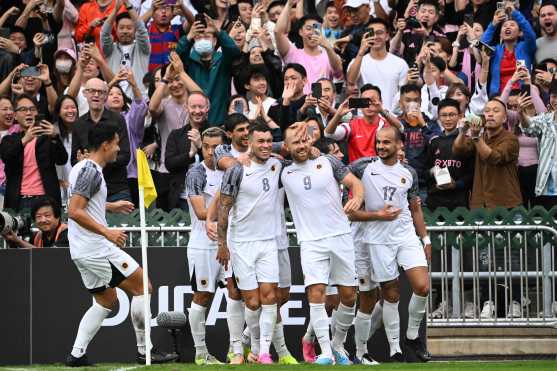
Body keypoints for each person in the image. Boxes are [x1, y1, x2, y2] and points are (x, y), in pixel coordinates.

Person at [64, 123, 176, 366]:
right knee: (142, 286)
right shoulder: (92, 171)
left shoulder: (80, 168)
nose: (118, 148)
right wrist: (107, 232)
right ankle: (145, 351)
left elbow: (80, 204)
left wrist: (109, 206)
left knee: (106, 300)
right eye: (116, 143)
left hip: (80, 250)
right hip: (95, 247)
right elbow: (74, 211)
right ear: (105, 145)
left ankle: (77, 354)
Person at [281, 122, 364, 365]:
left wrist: (357, 197)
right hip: (310, 242)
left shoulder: (329, 162)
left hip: (340, 236)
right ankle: (325, 352)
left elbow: (355, 184)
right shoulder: (282, 171)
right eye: (295, 142)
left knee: (348, 296)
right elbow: (258, 150)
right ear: (286, 147)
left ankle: (338, 345)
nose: (302, 145)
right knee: (316, 295)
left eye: (304, 140)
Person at [348, 126, 432, 363]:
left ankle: (413, 337)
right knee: (391, 294)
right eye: (379, 142)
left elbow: (415, 207)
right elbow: (339, 173)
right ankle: (395, 348)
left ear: (399, 145)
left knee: (422, 286)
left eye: (386, 142)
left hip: (405, 236)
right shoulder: (363, 167)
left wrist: (425, 238)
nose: (381, 147)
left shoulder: (409, 172)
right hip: (377, 238)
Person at [216, 123, 283, 364]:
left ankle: (264, 352)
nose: (265, 146)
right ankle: (249, 347)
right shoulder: (237, 170)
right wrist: (222, 244)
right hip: (241, 243)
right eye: (260, 142)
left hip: (268, 242)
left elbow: (291, 148)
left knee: (269, 297)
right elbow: (224, 206)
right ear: (249, 143)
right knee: (252, 301)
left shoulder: (277, 165)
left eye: (268, 141)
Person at [185, 127, 226, 365]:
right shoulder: (196, 173)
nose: (211, 152)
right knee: (202, 296)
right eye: (206, 147)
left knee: (239, 293)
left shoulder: (231, 169)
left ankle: (239, 348)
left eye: (216, 148)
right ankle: (201, 353)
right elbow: (201, 212)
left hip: (230, 244)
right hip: (203, 245)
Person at [0, 94, 67, 212]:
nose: (28, 113)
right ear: (15, 115)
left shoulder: (47, 138)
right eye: (23, 109)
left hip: (46, 199)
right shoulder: (9, 140)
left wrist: (55, 137)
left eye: (32, 109)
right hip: (19, 200)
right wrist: (25, 139)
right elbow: (7, 157)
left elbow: (62, 159)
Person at [453, 98, 522, 208]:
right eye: (487, 111)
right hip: (480, 202)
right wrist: (462, 132)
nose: (490, 114)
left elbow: (494, 158)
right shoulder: (481, 137)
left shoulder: (511, 139)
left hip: (506, 203)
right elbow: (458, 150)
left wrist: (476, 137)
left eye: (495, 111)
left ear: (504, 118)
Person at [71, 78, 131, 202]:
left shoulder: (118, 119)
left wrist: (95, 160)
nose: (96, 95)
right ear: (85, 94)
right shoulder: (79, 124)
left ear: (105, 95)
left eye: (101, 92)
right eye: (92, 91)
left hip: (116, 189)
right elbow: (74, 159)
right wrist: (82, 162)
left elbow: (125, 156)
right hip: (89, 190)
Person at [176, 14, 241, 125]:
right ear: (194, 41)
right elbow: (176, 56)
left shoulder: (223, 60)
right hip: (195, 123)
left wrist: (219, 32)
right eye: (198, 37)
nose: (203, 40)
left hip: (220, 123)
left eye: (207, 37)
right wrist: (188, 36)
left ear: (215, 41)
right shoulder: (189, 61)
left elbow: (234, 51)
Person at [275, 1, 342, 94]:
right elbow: (278, 32)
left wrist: (328, 46)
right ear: (300, 32)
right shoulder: (293, 54)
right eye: (308, 28)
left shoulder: (329, 55)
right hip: (297, 105)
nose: (313, 32)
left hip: (322, 105)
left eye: (316, 28)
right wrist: (289, 4)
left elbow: (338, 72)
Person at [324, 84, 401, 163]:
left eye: (373, 100)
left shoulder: (387, 125)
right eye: (365, 101)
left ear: (381, 102)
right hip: (356, 173)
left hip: (381, 172)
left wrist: (382, 111)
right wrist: (338, 115)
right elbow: (328, 134)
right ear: (360, 104)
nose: (369, 105)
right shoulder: (352, 125)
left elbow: (401, 129)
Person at [106, 69, 148, 208]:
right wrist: (113, 82)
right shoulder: (99, 119)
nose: (115, 96)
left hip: (131, 175)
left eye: (119, 94)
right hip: (106, 174)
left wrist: (134, 84)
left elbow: (140, 108)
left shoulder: (129, 118)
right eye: (110, 94)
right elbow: (96, 101)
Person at [347, 17, 409, 112]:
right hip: (365, 118)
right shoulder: (357, 61)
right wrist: (361, 52)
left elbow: (404, 93)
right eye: (371, 33)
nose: (375, 37)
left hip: (391, 117)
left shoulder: (400, 64)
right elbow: (351, 81)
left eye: (379, 33)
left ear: (387, 36)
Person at [424, 98, 474, 210]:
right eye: (444, 115)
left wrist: (456, 184)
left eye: (452, 115)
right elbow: (425, 172)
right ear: (438, 117)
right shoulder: (434, 141)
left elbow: (472, 173)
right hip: (435, 201)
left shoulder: (467, 141)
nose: (448, 119)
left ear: (460, 116)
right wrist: (433, 172)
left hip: (459, 202)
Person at [165, 91, 210, 211]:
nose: (197, 111)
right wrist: (190, 154)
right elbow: (169, 164)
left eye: (201, 107)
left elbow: (220, 162)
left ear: (207, 108)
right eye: (193, 107)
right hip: (182, 197)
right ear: (186, 108)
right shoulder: (176, 135)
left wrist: (201, 146)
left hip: (210, 196)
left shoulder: (215, 133)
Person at [480, 1, 536, 96]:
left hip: (522, 96)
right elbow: (481, 45)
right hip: (498, 97)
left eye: (512, 25)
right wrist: (493, 24)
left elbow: (530, 34)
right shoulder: (496, 51)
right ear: (500, 34)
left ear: (520, 33)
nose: (507, 27)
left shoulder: (525, 47)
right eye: (505, 26)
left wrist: (515, 13)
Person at [518, 83, 557, 210]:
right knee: (546, 227)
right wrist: (521, 113)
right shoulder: (545, 120)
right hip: (546, 188)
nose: (555, 100)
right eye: (554, 96)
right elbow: (529, 128)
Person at [101, 0, 151, 98]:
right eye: (122, 27)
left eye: (129, 28)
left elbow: (142, 29)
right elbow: (104, 33)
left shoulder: (142, 49)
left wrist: (128, 5)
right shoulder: (110, 50)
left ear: (134, 29)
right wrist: (115, 10)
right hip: (114, 99)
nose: (125, 31)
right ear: (116, 29)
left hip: (139, 99)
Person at [2, 197, 69, 248]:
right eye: (39, 216)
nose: (43, 220)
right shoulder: (37, 236)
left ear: (57, 217)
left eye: (47, 215)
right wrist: (12, 241)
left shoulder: (67, 233)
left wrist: (19, 241)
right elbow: (25, 257)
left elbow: (51, 255)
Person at [54, 94, 79, 208]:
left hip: (79, 187)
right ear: (58, 112)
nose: (70, 111)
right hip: (59, 186)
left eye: (73, 107)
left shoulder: (83, 129)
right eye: (66, 108)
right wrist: (59, 181)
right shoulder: (53, 132)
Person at [0, 96, 18, 209]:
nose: (9, 112)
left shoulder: (20, 130)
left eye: (11, 109)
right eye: (5, 109)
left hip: (13, 187)